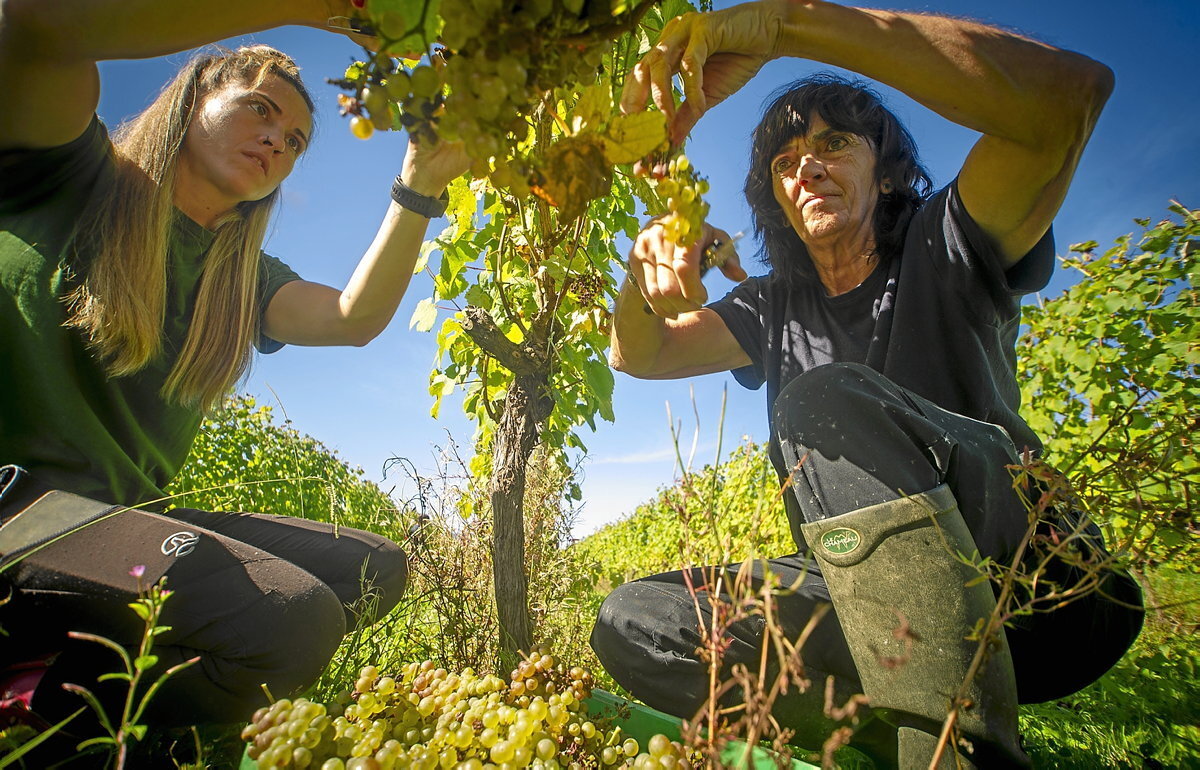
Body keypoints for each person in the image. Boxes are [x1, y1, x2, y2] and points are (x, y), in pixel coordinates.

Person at [590, 1, 1145, 766]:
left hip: (1028, 582)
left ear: (885, 175)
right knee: (639, 620)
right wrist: (640, 274)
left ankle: (954, 754)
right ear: (778, 201)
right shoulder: (774, 304)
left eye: (834, 143)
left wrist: (781, 27)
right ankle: (895, 738)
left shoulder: (946, 237)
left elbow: (1069, 98)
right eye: (785, 163)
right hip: (872, 606)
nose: (807, 167)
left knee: (820, 402)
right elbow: (639, 353)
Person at [0, 0, 469, 730]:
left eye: (296, 140)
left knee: (374, 569)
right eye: (260, 109)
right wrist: (317, 6)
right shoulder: (72, 172)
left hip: (117, 525)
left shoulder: (239, 278)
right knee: (295, 619)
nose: (278, 140)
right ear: (194, 98)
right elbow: (32, 24)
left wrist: (420, 185)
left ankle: (65, 669)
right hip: (17, 508)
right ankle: (41, 709)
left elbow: (353, 319)